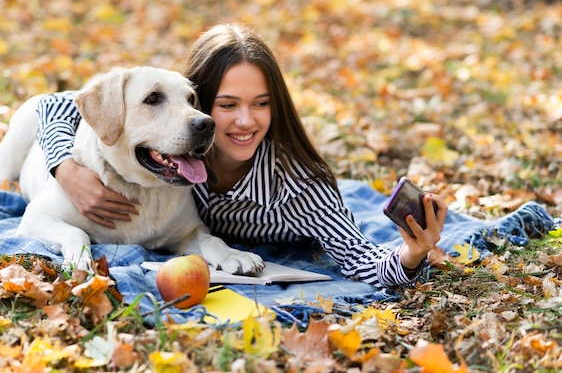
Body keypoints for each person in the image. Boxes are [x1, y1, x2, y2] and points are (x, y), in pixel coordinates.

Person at [36, 23, 448, 288]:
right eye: (228, 105)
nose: (245, 122)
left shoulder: (301, 187)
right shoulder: (179, 154)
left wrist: (411, 255)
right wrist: (63, 168)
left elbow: (359, 257)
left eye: (261, 104)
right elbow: (54, 105)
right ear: (206, 108)